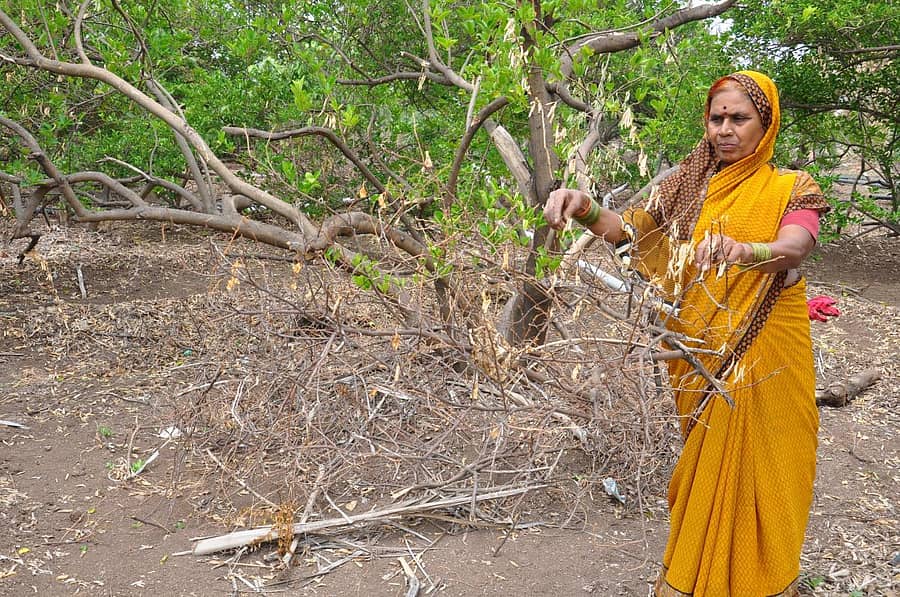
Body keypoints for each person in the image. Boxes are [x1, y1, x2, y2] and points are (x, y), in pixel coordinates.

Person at [544, 71, 828, 596]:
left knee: (769, 468)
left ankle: (761, 582)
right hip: (698, 355)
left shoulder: (792, 187)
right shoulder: (684, 184)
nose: (725, 128)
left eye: (738, 118)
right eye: (717, 117)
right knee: (707, 469)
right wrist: (583, 206)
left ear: (764, 125)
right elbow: (631, 235)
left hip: (767, 354)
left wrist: (747, 252)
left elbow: (796, 245)